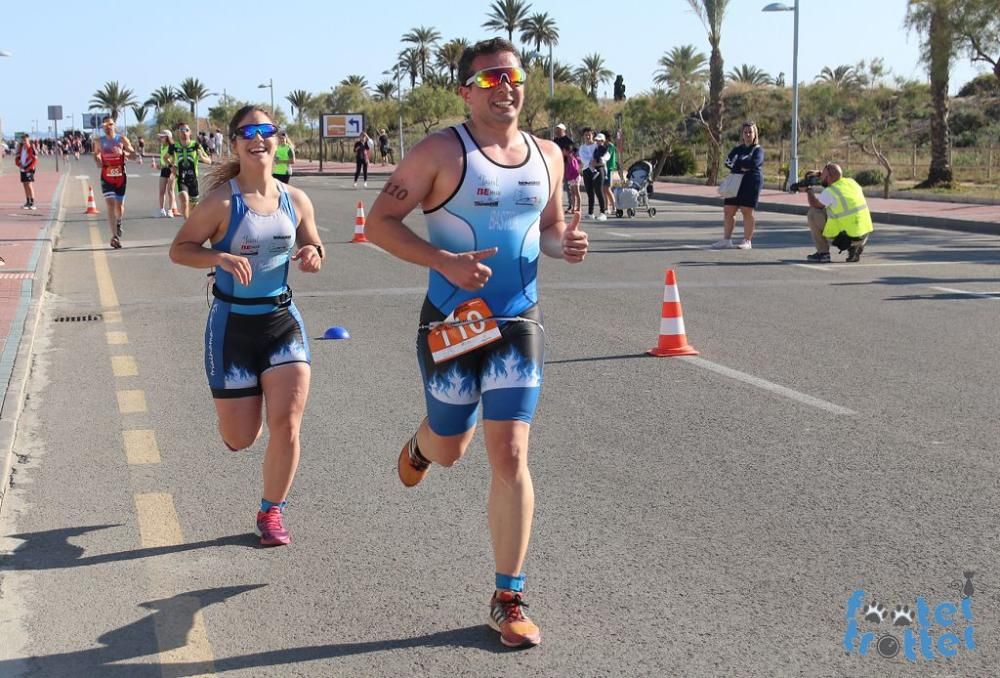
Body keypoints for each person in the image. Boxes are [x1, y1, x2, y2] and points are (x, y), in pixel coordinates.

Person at [366, 37, 588, 650]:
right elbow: (381, 225)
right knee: (452, 447)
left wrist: (563, 243)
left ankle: (508, 595)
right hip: (450, 321)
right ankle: (423, 442)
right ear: (466, 91)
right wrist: (445, 261)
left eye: (513, 78)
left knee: (511, 452)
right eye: (490, 79)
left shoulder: (548, 156)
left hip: (519, 319)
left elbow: (546, 229)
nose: (505, 88)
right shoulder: (440, 151)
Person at [168, 105, 324, 547]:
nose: (258, 139)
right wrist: (218, 256)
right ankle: (241, 426)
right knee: (241, 437)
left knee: (288, 423)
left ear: (278, 139)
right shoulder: (221, 202)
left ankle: (272, 511)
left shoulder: (295, 200)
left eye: (266, 131)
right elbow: (180, 249)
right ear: (235, 143)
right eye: (247, 132)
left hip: (280, 321)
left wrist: (314, 254)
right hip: (231, 325)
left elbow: (313, 240)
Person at [802, 163, 873, 263]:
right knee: (843, 215)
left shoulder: (831, 191)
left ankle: (823, 253)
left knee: (813, 213)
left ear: (829, 177)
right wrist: (820, 173)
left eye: (823, 176)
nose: (821, 178)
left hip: (844, 238)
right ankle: (855, 247)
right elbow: (835, 174)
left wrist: (808, 190)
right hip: (863, 235)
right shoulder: (852, 183)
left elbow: (815, 204)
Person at [712, 121, 763, 250]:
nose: (747, 134)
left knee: (747, 211)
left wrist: (740, 163)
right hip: (735, 182)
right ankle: (726, 240)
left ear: (755, 133)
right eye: (745, 132)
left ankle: (747, 241)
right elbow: (728, 162)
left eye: (750, 132)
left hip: (751, 182)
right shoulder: (738, 149)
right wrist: (742, 164)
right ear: (742, 134)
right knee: (728, 210)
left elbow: (754, 163)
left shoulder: (758, 150)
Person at [94, 117, 138, 249]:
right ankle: (114, 237)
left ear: (114, 125)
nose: (108, 127)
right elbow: (95, 154)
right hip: (106, 176)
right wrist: (97, 159)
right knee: (110, 204)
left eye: (110, 124)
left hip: (120, 177)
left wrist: (123, 152)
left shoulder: (122, 139)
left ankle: (119, 221)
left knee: (119, 207)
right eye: (105, 125)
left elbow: (134, 155)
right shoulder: (98, 141)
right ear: (103, 127)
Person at [165, 121, 213, 219]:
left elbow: (209, 161)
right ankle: (186, 224)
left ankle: (190, 222)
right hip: (181, 179)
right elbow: (166, 158)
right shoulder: (174, 147)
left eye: (186, 130)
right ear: (178, 132)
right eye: (181, 130)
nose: (184, 132)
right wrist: (171, 166)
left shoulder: (196, 145)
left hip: (193, 180)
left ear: (190, 132)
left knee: (193, 208)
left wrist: (202, 158)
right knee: (184, 200)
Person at [157, 130, 179, 218]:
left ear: (167, 137)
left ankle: (170, 210)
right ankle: (162, 210)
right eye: (160, 137)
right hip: (164, 170)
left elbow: (175, 159)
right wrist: (160, 165)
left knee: (170, 190)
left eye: (162, 137)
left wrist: (171, 165)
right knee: (161, 191)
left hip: (172, 169)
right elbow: (163, 159)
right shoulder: (162, 146)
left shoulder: (172, 146)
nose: (160, 138)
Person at [15, 134, 38, 210]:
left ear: (28, 140)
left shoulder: (31, 148)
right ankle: (27, 201)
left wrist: (29, 167)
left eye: (25, 140)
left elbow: (35, 159)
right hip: (22, 169)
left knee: (29, 184)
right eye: (23, 140)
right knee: (25, 185)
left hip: (29, 169)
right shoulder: (21, 148)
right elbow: (17, 158)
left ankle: (32, 202)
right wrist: (19, 164)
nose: (24, 142)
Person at [600, 129, 618, 215]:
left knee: (607, 188)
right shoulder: (603, 145)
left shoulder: (610, 146)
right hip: (603, 168)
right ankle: (606, 207)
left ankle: (614, 207)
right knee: (603, 189)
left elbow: (607, 156)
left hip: (609, 169)